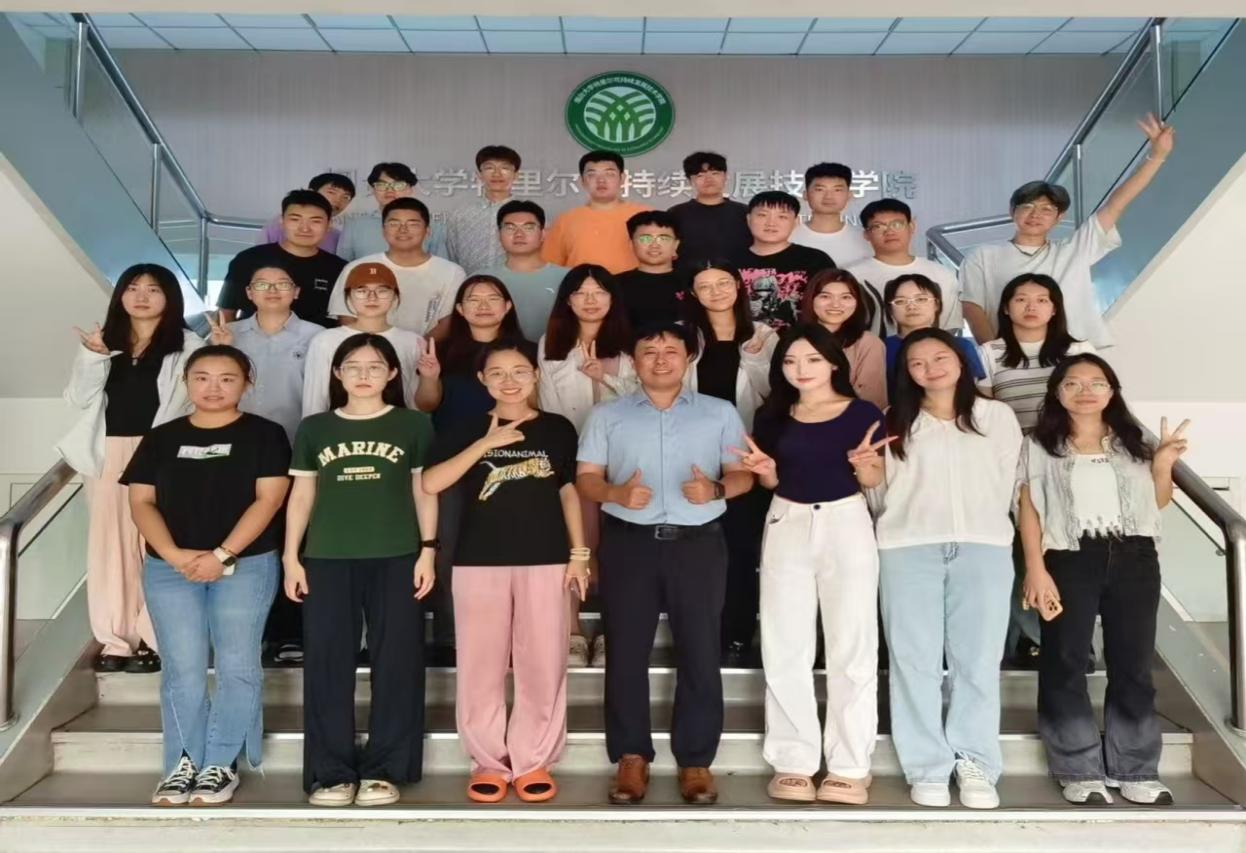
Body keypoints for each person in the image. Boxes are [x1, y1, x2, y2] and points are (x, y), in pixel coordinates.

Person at [576, 322, 753, 806]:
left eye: (671, 351)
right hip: (628, 544)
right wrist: (615, 494)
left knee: (700, 648)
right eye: (649, 351)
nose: (660, 359)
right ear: (633, 361)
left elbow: (743, 476)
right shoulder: (607, 415)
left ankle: (696, 760)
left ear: (688, 358)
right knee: (626, 650)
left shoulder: (719, 412)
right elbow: (586, 478)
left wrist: (716, 489)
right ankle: (631, 757)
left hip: (698, 545)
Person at [122, 346, 290, 806]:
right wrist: (173, 555)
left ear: (247, 383)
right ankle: (181, 764)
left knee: (237, 664)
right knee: (182, 669)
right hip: (170, 569)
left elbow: (269, 499)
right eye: (202, 377)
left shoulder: (266, 434)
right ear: (186, 383)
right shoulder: (161, 437)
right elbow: (141, 502)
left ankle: (220, 762)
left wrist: (222, 554)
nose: (213, 387)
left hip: (245, 565)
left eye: (226, 378)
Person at [423, 342, 589, 804]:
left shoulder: (557, 428)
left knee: (544, 661)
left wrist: (579, 553)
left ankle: (533, 758)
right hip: (478, 559)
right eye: (497, 373)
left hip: (546, 557)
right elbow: (431, 482)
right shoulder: (464, 427)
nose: (509, 381)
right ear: (483, 380)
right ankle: (489, 761)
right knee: (481, 663)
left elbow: (567, 491)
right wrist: (484, 445)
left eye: (519, 371)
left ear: (535, 375)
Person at [1018, 354, 1184, 806]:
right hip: (1069, 556)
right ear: (1057, 393)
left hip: (1135, 556)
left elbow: (1156, 503)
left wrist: (1163, 465)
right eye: (1073, 383)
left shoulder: (1135, 442)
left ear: (1112, 391)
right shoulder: (1038, 444)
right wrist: (1036, 568)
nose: (1086, 391)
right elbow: (1028, 508)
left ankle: (1136, 769)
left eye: (1097, 383)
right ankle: (1077, 768)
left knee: (1133, 663)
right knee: (1065, 659)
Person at [733, 324, 887, 805]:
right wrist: (767, 473)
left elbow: (874, 478)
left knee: (852, 644)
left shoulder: (862, 413)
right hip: (788, 521)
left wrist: (865, 463)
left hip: (846, 520)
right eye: (790, 361)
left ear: (834, 362)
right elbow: (773, 480)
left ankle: (850, 766)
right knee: (785, 643)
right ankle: (794, 761)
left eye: (812, 359)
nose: (801, 369)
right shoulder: (773, 415)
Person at [284, 333, 438, 807]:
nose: (364, 375)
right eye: (353, 366)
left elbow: (424, 491)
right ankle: (330, 771)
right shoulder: (315, 428)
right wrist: (291, 556)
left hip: (397, 555)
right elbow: (302, 495)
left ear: (392, 373)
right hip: (327, 557)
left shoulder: (413, 425)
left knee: (398, 662)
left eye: (374, 366)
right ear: (337, 373)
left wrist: (427, 550)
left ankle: (386, 769)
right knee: (328, 663)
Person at [871, 327, 1022, 810]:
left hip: (984, 546)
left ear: (960, 360)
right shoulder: (894, 421)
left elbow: (1013, 484)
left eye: (940, 357)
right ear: (907, 373)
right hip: (906, 547)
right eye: (917, 363)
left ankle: (975, 761)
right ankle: (927, 767)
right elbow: (878, 494)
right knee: (912, 660)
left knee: (977, 660)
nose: (930, 368)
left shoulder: (995, 416)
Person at [56, 263, 204, 674]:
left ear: (169, 298)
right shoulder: (103, 343)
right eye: (133, 287)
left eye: (153, 289)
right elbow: (77, 399)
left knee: (158, 543)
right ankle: (116, 640)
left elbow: (195, 401)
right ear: (120, 295)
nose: (142, 296)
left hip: (163, 451)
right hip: (108, 452)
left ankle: (156, 638)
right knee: (111, 548)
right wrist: (92, 357)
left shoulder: (189, 345)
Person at [961, 114, 1174, 347]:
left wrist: (1157, 156)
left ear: (1059, 217)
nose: (1035, 214)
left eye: (1046, 209)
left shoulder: (1074, 250)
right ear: (1012, 211)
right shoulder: (983, 256)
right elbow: (972, 306)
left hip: (1074, 353)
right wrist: (994, 353)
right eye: (1027, 207)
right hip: (1013, 354)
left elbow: (1116, 204)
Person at [414, 274, 536, 666]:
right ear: (460, 309)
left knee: (509, 544)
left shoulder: (527, 350)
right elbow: (427, 405)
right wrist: (429, 378)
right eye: (473, 299)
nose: (483, 306)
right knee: (449, 547)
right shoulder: (444, 351)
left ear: (508, 305)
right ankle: (451, 636)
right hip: (452, 458)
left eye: (492, 298)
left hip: (513, 459)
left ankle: (512, 635)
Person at [976, 273, 1097, 669]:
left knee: (1068, 550)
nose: (1031, 307)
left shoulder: (1077, 350)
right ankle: (1032, 637)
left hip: (1068, 461)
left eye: (1042, 299)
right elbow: (984, 413)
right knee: (1019, 550)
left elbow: (1097, 402)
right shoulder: (989, 353)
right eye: (1021, 299)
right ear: (1006, 307)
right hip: (1011, 464)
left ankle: (1073, 636)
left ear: (1055, 308)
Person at [537, 265, 636, 668]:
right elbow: (545, 403)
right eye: (580, 292)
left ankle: (614, 631)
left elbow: (648, 397)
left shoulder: (630, 344)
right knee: (572, 545)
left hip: (623, 460)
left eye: (599, 292)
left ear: (613, 298)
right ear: (567, 300)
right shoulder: (551, 344)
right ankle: (573, 631)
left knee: (620, 550)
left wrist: (607, 378)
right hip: (571, 459)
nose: (590, 300)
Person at [682, 261, 777, 666]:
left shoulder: (764, 335)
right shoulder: (684, 337)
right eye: (705, 286)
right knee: (695, 552)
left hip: (746, 456)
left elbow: (776, 393)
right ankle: (699, 635)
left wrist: (753, 360)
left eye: (723, 283)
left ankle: (736, 635)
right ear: (693, 294)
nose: (716, 291)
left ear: (739, 288)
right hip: (692, 456)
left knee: (740, 550)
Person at [207, 264, 323, 445]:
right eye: (261, 284)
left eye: (282, 284)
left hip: (296, 437)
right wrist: (222, 350)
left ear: (296, 292)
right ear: (249, 292)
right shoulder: (227, 333)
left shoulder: (318, 336)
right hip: (234, 435)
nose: (272, 290)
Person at [327, 198, 466, 338]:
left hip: (426, 350)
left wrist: (416, 347)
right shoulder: (358, 268)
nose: (403, 230)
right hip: (367, 349)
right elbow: (346, 316)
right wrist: (374, 348)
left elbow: (448, 322)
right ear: (383, 231)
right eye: (394, 223)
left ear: (427, 231)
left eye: (413, 224)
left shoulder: (452, 272)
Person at [304, 264, 424, 416]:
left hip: (396, 427)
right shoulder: (325, 340)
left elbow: (414, 402)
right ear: (348, 297)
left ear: (395, 296)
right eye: (361, 291)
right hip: (339, 428)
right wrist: (313, 429)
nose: (372, 297)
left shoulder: (413, 342)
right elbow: (314, 401)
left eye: (382, 290)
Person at [218, 190, 346, 327]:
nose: (305, 229)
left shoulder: (340, 268)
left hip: (320, 340)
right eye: (295, 219)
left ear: (329, 225)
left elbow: (346, 320)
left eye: (315, 221)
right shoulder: (248, 259)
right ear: (282, 221)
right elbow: (226, 312)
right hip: (254, 340)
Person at [846, 198, 962, 335]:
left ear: (911, 227)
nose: (889, 231)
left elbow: (950, 326)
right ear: (866, 234)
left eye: (897, 224)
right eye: (878, 226)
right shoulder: (851, 276)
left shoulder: (942, 274)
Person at [734, 191, 834, 332]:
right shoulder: (729, 260)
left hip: (802, 343)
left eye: (782, 217)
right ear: (749, 219)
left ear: (795, 222)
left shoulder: (816, 260)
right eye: (762, 215)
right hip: (742, 342)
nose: (771, 223)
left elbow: (831, 305)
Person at [542, 150, 649, 273]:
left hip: (634, 285)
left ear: (622, 178)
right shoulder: (566, 221)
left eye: (609, 174)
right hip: (582, 285)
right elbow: (551, 268)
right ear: (582, 181)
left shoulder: (646, 216)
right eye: (592, 175)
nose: (601, 180)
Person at [479, 200, 567, 340]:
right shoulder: (480, 279)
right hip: (496, 353)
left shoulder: (568, 278)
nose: (519, 234)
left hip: (554, 353)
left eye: (528, 227)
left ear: (543, 234)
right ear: (498, 235)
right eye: (510, 228)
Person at [882, 274, 985, 394]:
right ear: (890, 309)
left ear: (936, 304)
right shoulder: (880, 348)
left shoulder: (962, 346)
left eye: (921, 299)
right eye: (900, 301)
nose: (911, 306)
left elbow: (974, 393)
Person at [800, 268, 887, 408]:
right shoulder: (794, 340)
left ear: (857, 302)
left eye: (846, 297)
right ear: (811, 299)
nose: (835, 304)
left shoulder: (868, 343)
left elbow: (872, 402)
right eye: (825, 296)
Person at [338, 162, 447, 263]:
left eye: (398, 185)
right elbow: (342, 267)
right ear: (372, 189)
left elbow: (441, 268)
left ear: (410, 189)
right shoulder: (354, 226)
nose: (390, 190)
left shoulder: (433, 227)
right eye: (382, 185)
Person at [444, 145, 521, 274]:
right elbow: (451, 257)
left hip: (516, 283)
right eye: (489, 168)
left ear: (516, 175)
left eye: (505, 168)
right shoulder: (461, 214)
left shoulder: (528, 214)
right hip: (470, 283)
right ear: (479, 175)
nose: (497, 173)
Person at [667, 151, 751, 270]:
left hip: (736, 278)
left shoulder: (745, 212)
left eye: (715, 173)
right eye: (700, 175)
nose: (708, 179)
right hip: (686, 278)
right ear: (690, 180)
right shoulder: (676, 213)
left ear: (725, 176)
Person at [616, 211, 689, 330]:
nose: (654, 245)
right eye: (645, 239)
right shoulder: (614, 285)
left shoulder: (693, 282)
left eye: (663, 239)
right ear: (631, 244)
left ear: (676, 244)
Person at [790, 162, 872, 269]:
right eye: (820, 189)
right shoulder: (788, 237)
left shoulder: (867, 239)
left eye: (837, 190)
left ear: (849, 195)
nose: (828, 196)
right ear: (805, 195)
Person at [256, 172, 355, 254]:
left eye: (346, 197)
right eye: (331, 192)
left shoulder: (338, 235)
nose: (338, 200)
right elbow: (261, 256)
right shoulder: (279, 225)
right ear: (311, 191)